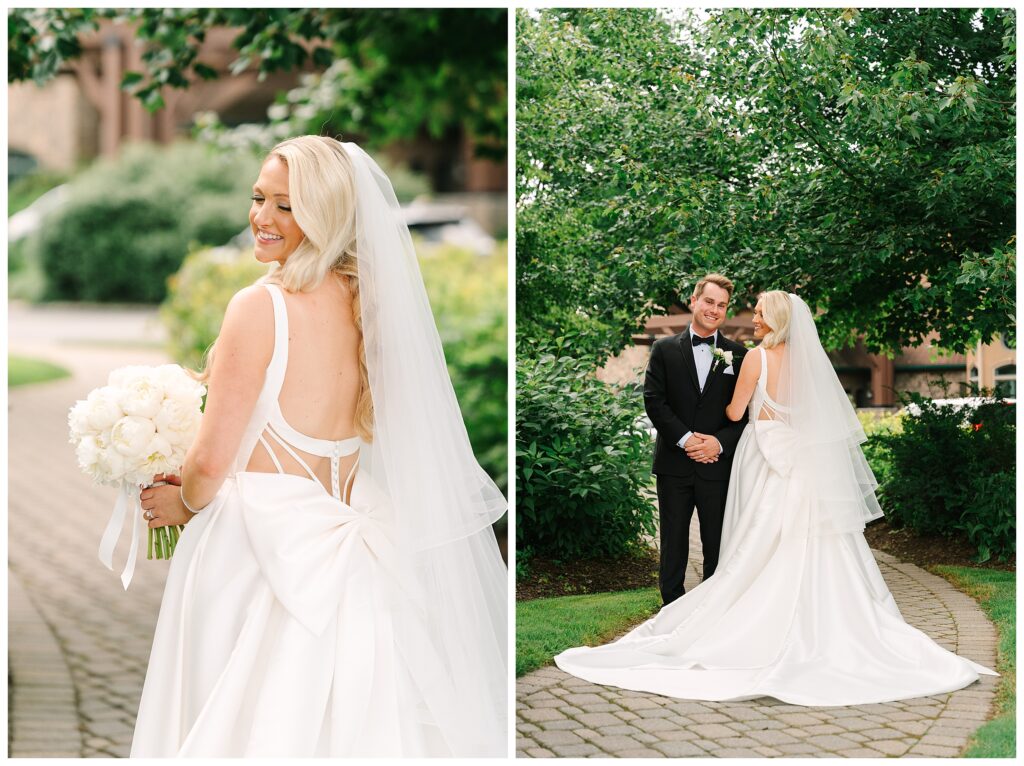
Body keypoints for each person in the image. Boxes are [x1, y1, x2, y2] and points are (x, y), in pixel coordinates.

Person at [131, 136, 507, 756]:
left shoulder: (259, 306)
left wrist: (183, 503)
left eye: (286, 205)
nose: (262, 216)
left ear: (325, 215)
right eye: (259, 198)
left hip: (257, 551)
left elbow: (211, 461)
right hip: (357, 533)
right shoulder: (367, 304)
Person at [556, 291, 995, 705]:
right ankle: (821, 623)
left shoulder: (754, 357)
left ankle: (746, 620)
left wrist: (724, 413)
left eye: (760, 312)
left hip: (763, 457)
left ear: (776, 320)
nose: (753, 317)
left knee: (757, 536)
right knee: (806, 539)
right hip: (800, 461)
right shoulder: (807, 365)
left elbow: (735, 412)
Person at [643, 274, 747, 605]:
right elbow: (654, 401)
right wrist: (686, 440)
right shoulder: (664, 349)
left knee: (717, 543)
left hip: (717, 466)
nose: (714, 310)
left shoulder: (739, 355)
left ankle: (711, 610)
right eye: (709, 301)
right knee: (673, 543)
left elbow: (746, 415)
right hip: (674, 464)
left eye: (722, 305)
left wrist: (718, 443)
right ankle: (671, 608)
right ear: (694, 301)